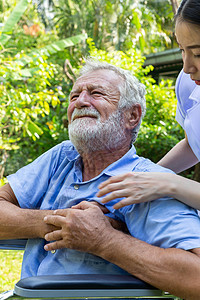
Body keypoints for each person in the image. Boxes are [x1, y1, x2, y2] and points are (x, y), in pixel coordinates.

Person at [1, 59, 200, 300]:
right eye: (74, 96)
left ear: (132, 116)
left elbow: (196, 278)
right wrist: (66, 223)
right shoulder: (61, 157)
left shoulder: (146, 184)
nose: (81, 101)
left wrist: (105, 240)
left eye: (96, 93)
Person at [97, 0, 200, 211]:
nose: (188, 67)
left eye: (198, 54)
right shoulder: (189, 85)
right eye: (182, 50)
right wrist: (143, 178)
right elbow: (193, 144)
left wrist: (170, 183)